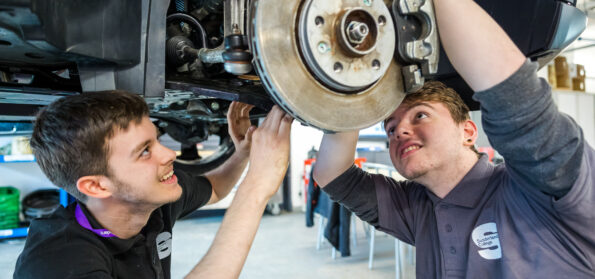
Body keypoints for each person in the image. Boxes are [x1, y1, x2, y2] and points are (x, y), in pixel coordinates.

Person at [313, 0, 594, 278]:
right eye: (390, 128)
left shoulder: (536, 191)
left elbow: (517, 104)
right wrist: (353, 79)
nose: (398, 132)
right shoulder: (415, 208)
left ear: (468, 132)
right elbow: (332, 174)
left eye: (420, 115)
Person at [13, 90, 293, 279]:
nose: (169, 154)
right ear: (96, 187)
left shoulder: (152, 200)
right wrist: (256, 187)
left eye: (156, 140)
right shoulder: (59, 263)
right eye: (144, 151)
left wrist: (243, 151)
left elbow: (216, 187)